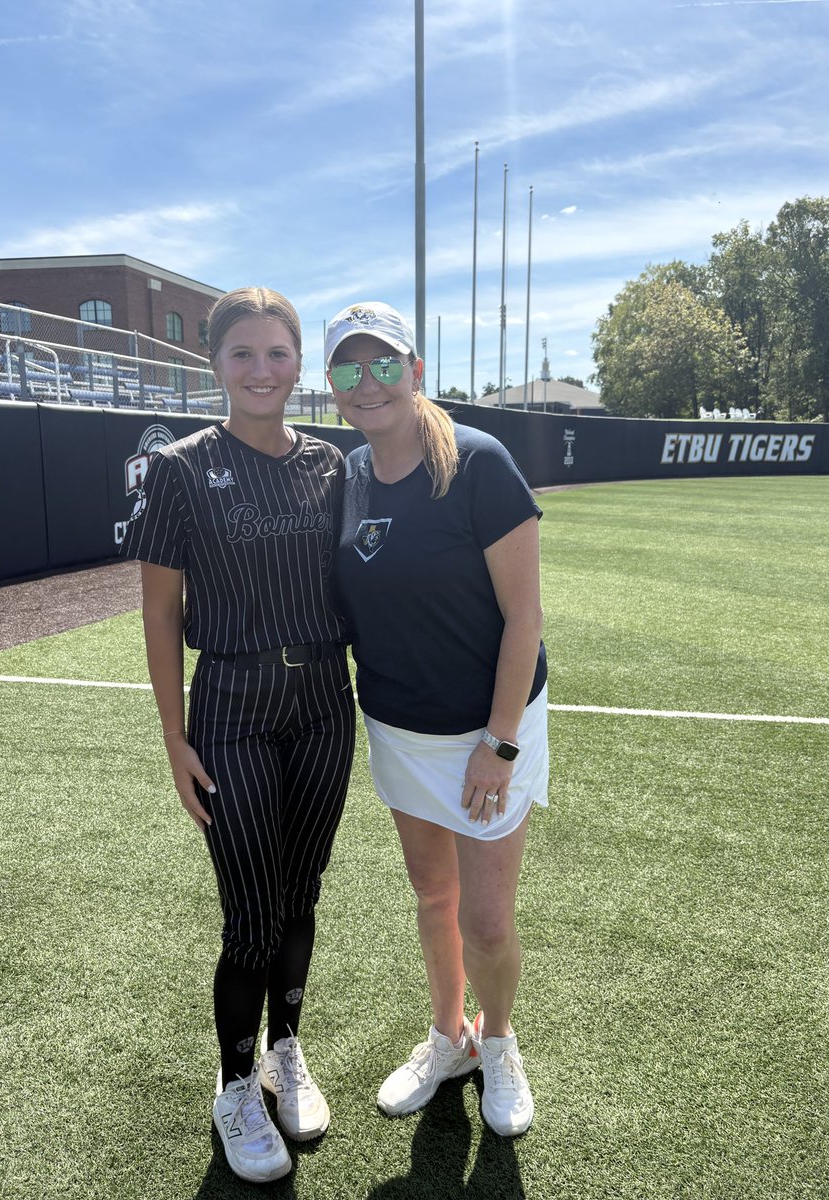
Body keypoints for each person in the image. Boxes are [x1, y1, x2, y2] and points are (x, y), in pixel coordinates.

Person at [122, 287, 356, 1183]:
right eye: (243, 354)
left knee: (301, 892)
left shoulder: (330, 464)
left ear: (300, 365)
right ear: (214, 363)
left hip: (325, 701)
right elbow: (160, 611)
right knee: (252, 911)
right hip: (232, 704)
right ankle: (232, 1084)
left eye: (278, 353)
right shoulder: (180, 468)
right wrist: (173, 737)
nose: (262, 370)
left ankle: (284, 1049)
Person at [326, 301, 548, 1137]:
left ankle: (499, 1042)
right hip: (399, 729)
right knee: (432, 895)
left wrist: (499, 743)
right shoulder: (347, 475)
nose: (369, 382)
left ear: (416, 372)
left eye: (385, 363)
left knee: (486, 921)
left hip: (490, 729)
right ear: (332, 384)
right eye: (349, 368)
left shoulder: (478, 462)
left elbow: (524, 618)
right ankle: (448, 1038)